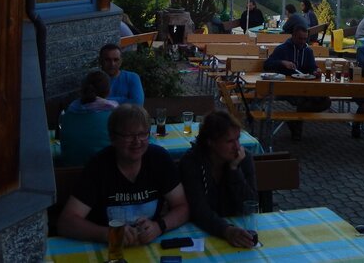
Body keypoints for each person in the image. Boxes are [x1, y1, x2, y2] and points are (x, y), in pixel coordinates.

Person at [57, 104, 189, 245]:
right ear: (113, 138)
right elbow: (66, 222)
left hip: (149, 246)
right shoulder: (98, 167)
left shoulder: (159, 160)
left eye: (142, 134)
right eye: (128, 135)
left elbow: (183, 207)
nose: (137, 141)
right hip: (108, 249)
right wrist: (109, 234)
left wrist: (159, 227)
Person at [179, 110, 258, 248]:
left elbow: (249, 204)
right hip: (200, 235)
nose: (237, 147)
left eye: (238, 139)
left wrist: (234, 170)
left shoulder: (243, 159)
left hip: (240, 230)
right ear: (211, 142)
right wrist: (226, 230)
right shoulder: (192, 163)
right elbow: (199, 209)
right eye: (229, 141)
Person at [263, 23, 329, 140]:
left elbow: (312, 67)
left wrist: (316, 71)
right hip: (287, 87)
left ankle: (295, 122)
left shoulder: (308, 51)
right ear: (293, 36)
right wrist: (282, 62)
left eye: (305, 39)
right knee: (305, 100)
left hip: (305, 86)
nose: (302, 42)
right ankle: (296, 127)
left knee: (325, 101)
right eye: (300, 38)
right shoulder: (282, 49)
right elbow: (267, 65)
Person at [58, 71, 119, 166]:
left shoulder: (68, 114)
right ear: (108, 91)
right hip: (103, 171)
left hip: (68, 170)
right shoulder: (115, 116)